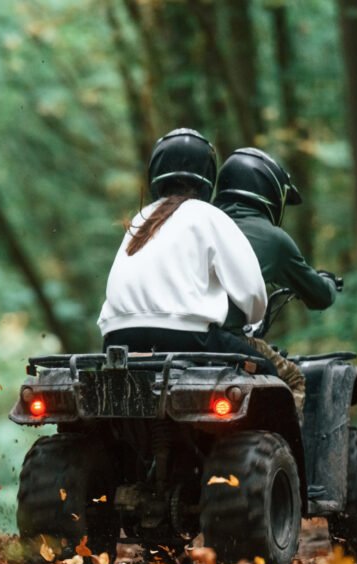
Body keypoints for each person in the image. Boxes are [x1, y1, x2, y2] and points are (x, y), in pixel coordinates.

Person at [97, 129, 277, 375]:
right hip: (187, 338)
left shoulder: (141, 220)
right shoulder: (208, 215)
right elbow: (253, 295)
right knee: (269, 373)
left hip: (117, 340)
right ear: (208, 175)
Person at [213, 147, 340, 414]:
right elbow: (320, 296)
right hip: (226, 340)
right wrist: (326, 281)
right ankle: (286, 453)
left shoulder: (201, 222)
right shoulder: (273, 238)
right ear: (269, 192)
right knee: (293, 379)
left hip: (178, 340)